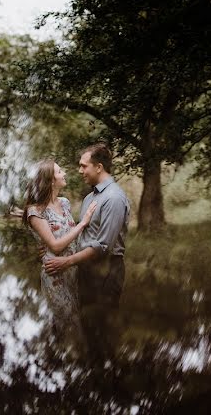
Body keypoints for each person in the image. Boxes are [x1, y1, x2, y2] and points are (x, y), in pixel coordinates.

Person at [43, 143, 129, 357]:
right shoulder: (90, 198)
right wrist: (50, 249)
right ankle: (93, 374)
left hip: (107, 271)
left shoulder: (114, 198)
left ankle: (111, 373)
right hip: (87, 270)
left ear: (98, 167)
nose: (80, 171)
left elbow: (102, 247)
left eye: (84, 166)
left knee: (104, 328)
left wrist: (66, 262)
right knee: (88, 328)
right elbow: (80, 236)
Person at [23, 158, 97, 341]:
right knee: (71, 324)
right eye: (59, 172)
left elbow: (67, 235)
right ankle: (70, 358)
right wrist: (83, 223)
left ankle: (62, 354)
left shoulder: (64, 203)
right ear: (49, 180)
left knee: (72, 320)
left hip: (73, 271)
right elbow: (55, 245)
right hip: (55, 274)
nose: (64, 173)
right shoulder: (35, 212)